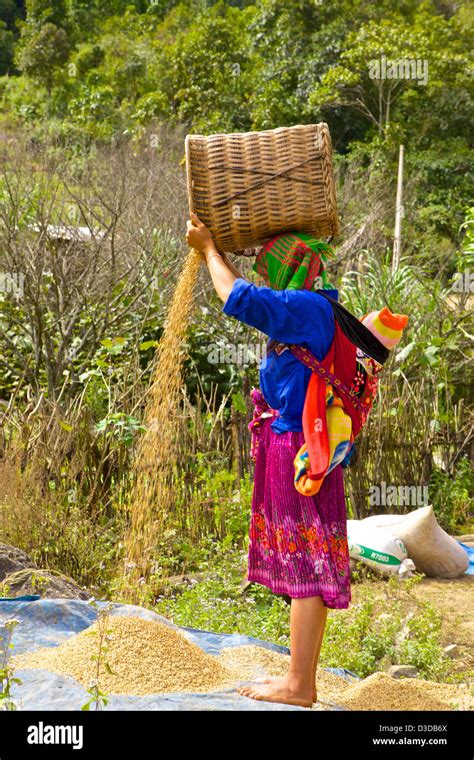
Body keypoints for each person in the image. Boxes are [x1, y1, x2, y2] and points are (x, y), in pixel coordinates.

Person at [185, 212, 401, 708]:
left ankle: (299, 685)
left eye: (271, 269)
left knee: (306, 566)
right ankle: (298, 678)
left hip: (302, 450)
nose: (268, 279)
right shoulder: (319, 305)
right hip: (309, 447)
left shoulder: (306, 308)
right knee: (308, 562)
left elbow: (236, 297)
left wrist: (209, 251)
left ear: (293, 269)